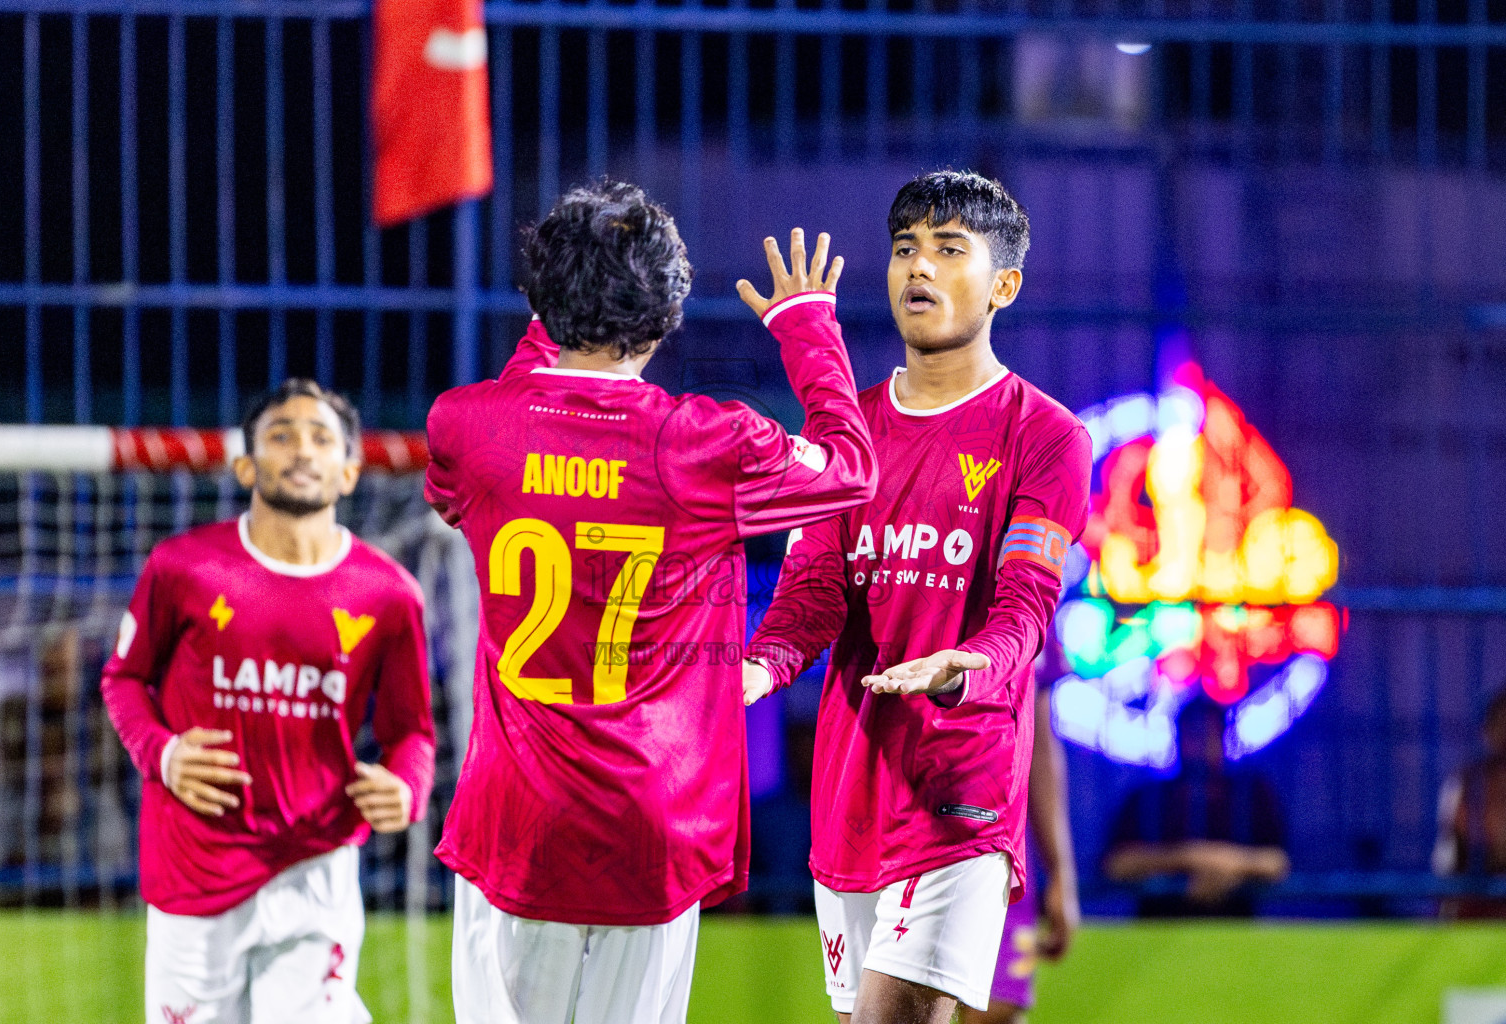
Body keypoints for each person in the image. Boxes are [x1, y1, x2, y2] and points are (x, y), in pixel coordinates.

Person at [424, 180, 876, 1024]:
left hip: (517, 823)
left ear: (540, 303)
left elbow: (527, 401)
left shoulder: (468, 425)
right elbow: (851, 470)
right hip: (652, 825)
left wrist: (557, 307)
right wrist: (808, 323)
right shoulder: (713, 443)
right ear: (666, 319)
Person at [745, 169, 1092, 1024]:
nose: (918, 269)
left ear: (1003, 285)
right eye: (905, 249)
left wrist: (965, 665)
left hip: (960, 796)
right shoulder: (848, 434)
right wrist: (760, 667)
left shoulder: (1047, 437)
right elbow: (813, 590)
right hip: (850, 793)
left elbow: (1025, 609)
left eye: (948, 249)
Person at [102, 380, 437, 1024]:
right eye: (280, 436)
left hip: (316, 860)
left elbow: (412, 733)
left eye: (321, 438)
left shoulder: (388, 594)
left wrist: (408, 787)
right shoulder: (184, 568)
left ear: (349, 471)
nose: (302, 450)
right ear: (246, 466)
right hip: (193, 858)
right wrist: (164, 755)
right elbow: (123, 679)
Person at [960, 637, 1081, 1024]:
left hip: (997, 849)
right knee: (897, 1005)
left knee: (998, 1010)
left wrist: (1061, 872)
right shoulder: (902, 584)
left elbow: (1040, 748)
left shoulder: (1031, 594)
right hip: (904, 836)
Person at [1103, 699, 1288, 916]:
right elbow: (1116, 865)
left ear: (1224, 738)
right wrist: (1188, 858)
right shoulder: (1148, 798)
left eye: (1209, 734)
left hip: (1235, 932)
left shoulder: (1249, 795)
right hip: (1158, 930)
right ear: (1178, 738)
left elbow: (1278, 863)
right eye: (1193, 735)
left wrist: (1230, 863)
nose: (1201, 745)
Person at [1434, 683, 1506, 918]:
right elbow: (1456, 832)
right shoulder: (1467, 779)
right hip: (1475, 896)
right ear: (1486, 730)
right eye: (1499, 723)